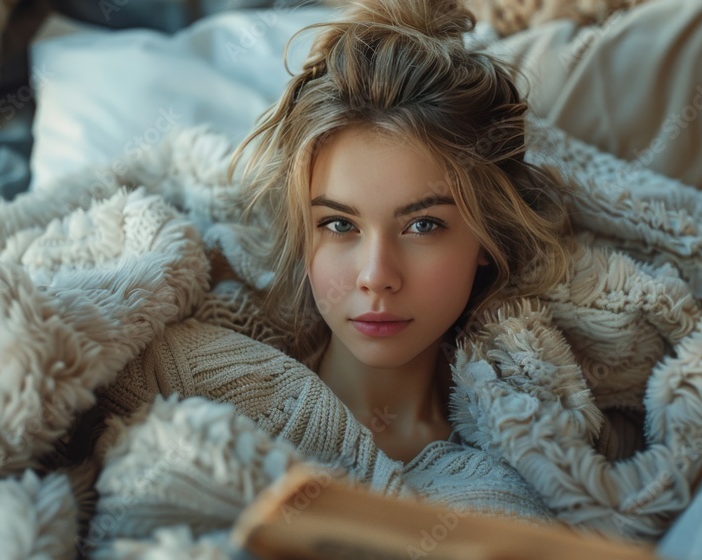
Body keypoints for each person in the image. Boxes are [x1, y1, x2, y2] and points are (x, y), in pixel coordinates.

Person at [230, 0, 571, 463]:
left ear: (488, 237)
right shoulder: (220, 404)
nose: (376, 276)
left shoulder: (545, 446)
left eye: (422, 225)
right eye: (339, 224)